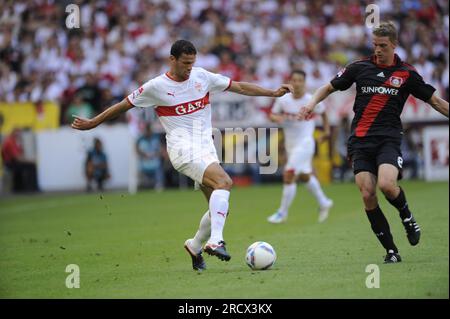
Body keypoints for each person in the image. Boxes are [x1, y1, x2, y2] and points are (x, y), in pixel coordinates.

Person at [71, 39, 293, 271]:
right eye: (185, 63)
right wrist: (93, 122)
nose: (189, 67)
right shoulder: (155, 87)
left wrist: (272, 93)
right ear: (172, 60)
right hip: (181, 150)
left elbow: (239, 86)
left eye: (192, 63)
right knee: (224, 182)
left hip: (206, 150)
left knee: (218, 205)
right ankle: (216, 241)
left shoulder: (202, 77)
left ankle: (195, 245)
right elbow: (123, 105)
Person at [299, 22, 449, 263]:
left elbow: (437, 102)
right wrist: (310, 104)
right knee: (368, 193)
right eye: (375, 45)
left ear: (394, 45)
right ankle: (391, 251)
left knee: (388, 186)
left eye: (383, 45)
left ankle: (407, 216)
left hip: (388, 138)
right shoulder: (359, 67)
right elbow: (328, 87)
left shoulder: (407, 74)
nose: (378, 50)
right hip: (359, 141)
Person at [267, 70, 333, 224]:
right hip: (291, 145)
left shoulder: (311, 100)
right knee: (304, 176)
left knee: (289, 173)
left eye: (299, 80)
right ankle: (324, 202)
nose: (296, 83)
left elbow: (323, 114)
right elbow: (272, 115)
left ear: (305, 82)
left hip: (305, 143)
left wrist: (327, 131)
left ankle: (282, 213)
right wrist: (279, 118)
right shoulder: (284, 100)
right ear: (290, 81)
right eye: (294, 80)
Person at [1, 128, 39, 192]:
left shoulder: (15, 142)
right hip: (10, 163)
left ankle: (21, 188)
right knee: (32, 166)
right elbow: (17, 158)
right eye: (17, 133)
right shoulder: (10, 142)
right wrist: (30, 161)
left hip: (13, 162)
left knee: (29, 165)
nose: (19, 135)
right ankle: (31, 188)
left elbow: (20, 155)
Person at [136, 125, 164, 191]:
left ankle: (159, 186)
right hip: (144, 164)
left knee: (159, 175)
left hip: (155, 163)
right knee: (143, 180)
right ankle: (143, 187)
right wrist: (145, 155)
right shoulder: (141, 140)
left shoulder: (156, 139)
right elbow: (137, 150)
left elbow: (161, 149)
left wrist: (155, 154)